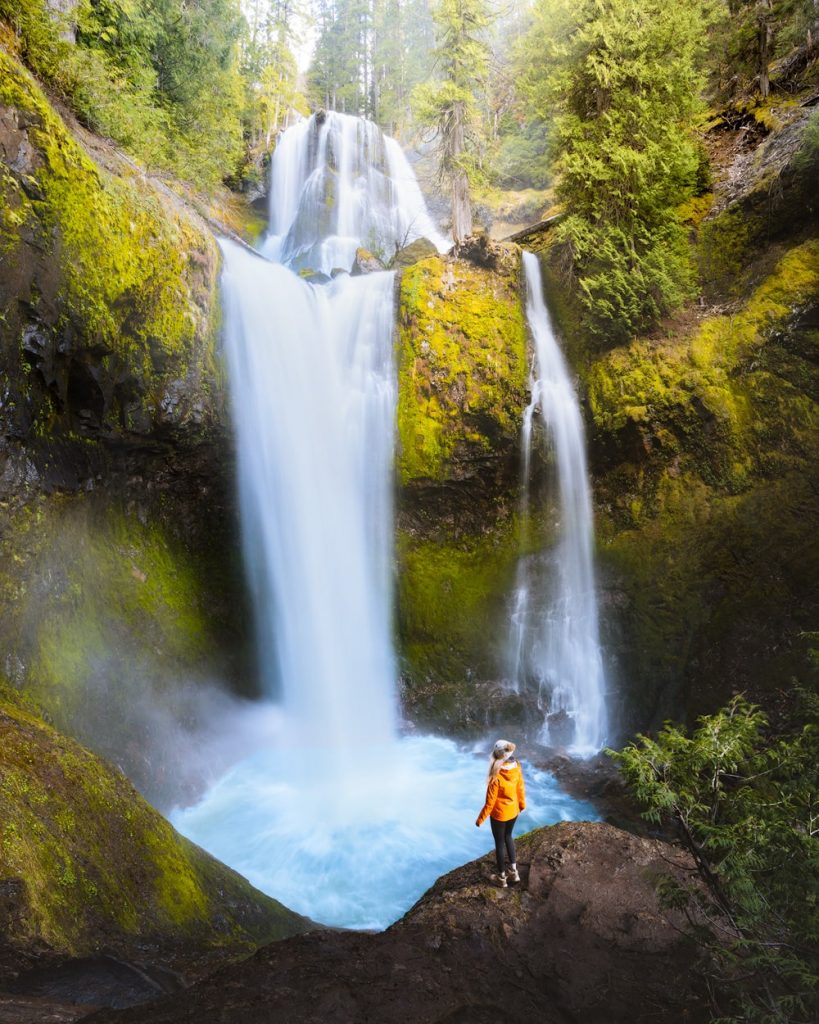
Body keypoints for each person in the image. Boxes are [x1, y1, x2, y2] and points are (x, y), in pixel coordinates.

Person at [475, 739, 526, 888]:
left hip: (499, 814)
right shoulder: (517, 768)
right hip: (513, 810)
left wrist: (480, 819)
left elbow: (490, 803)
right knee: (508, 837)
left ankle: (502, 877)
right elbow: (520, 789)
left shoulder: (496, 775)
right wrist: (522, 805)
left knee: (499, 843)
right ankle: (514, 872)